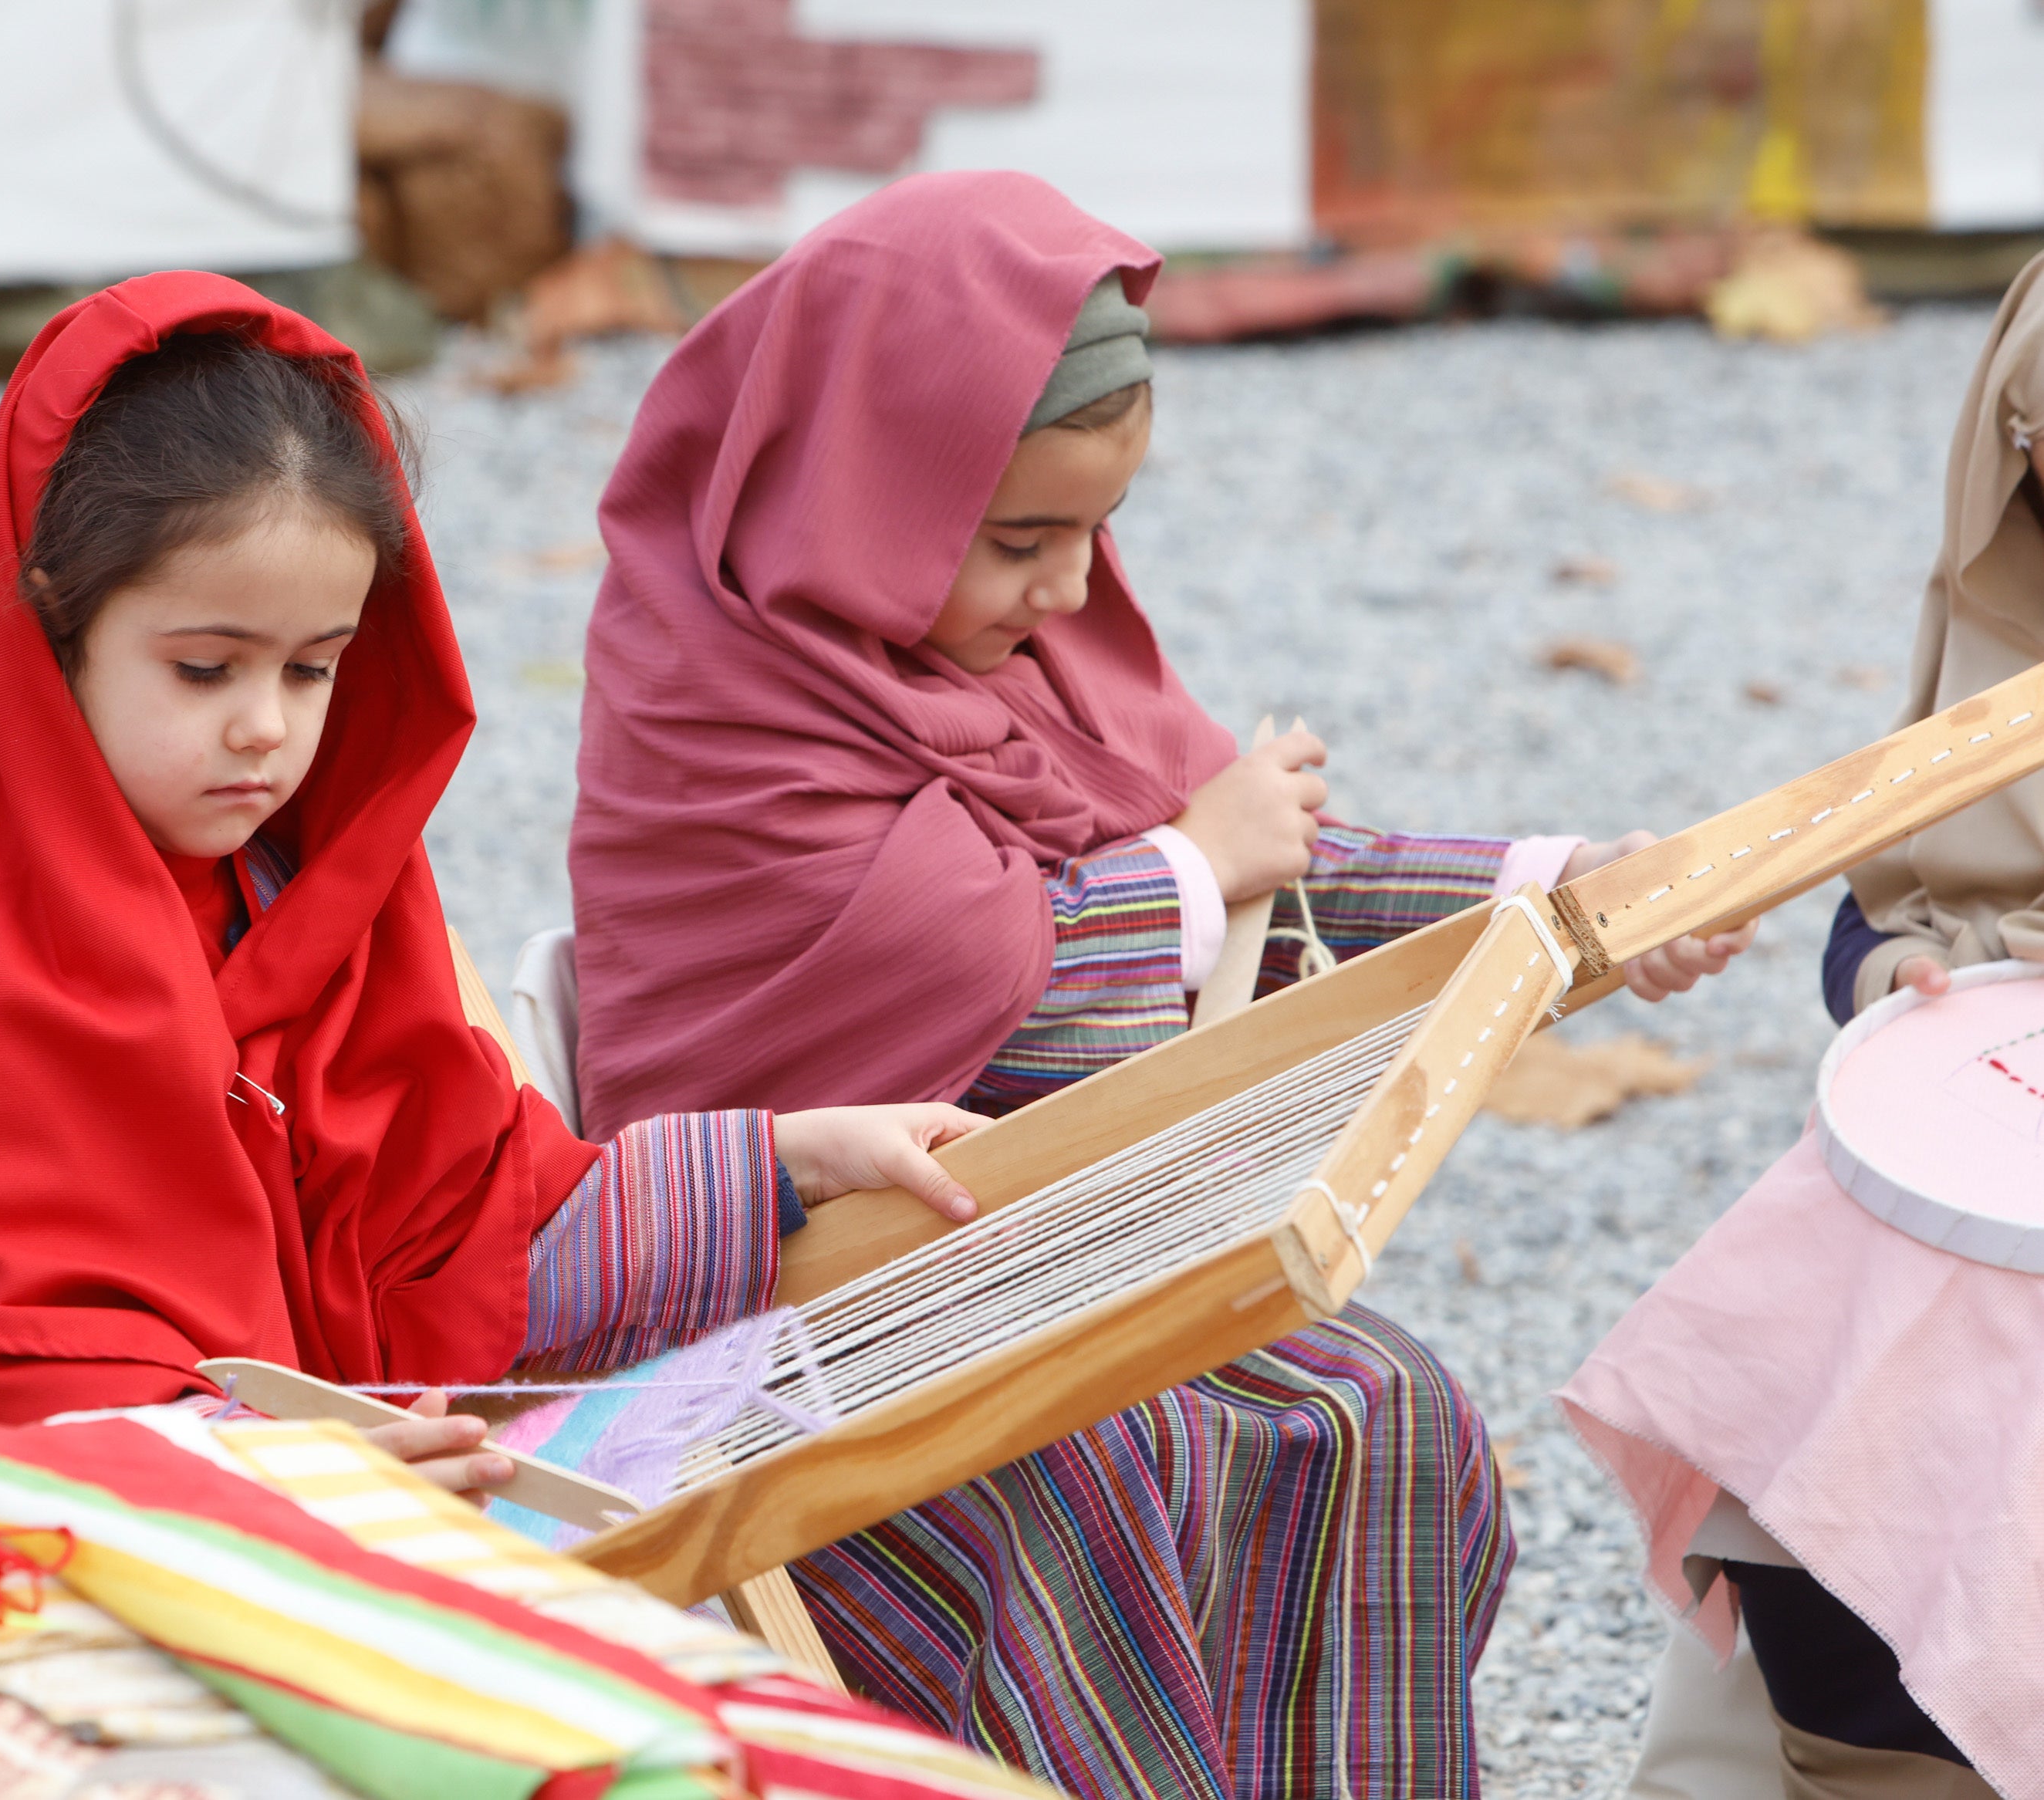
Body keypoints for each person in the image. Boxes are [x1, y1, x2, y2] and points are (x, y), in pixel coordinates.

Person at [566, 172, 1750, 1798]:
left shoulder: (1006, 650)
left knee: (1375, 1411)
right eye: (1020, 542)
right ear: (861, 494)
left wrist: (1562, 894)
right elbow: (979, 969)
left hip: (1044, 1234)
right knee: (1097, 1468)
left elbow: (1270, 870)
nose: (1066, 594)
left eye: (1093, 536)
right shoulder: (718, 694)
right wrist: (1188, 868)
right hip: (787, 1294)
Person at [0, 272, 985, 1478]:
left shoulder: (311, 908)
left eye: (312, 668)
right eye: (206, 668)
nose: (266, 726)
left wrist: (796, 1158)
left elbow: (481, 1235)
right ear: (50, 633)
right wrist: (309, 1473)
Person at [1566, 253, 2044, 1800]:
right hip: (1980, 1162)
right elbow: (1888, 896)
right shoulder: (2001, 646)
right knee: (1805, 1394)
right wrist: (1895, 973)